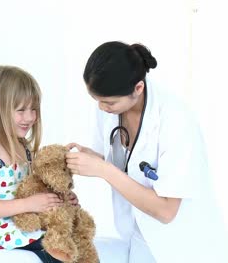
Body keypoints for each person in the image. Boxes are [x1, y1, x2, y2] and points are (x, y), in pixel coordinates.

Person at [65, 41, 227, 262]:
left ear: (138, 88)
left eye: (108, 103)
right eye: (97, 101)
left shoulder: (176, 120)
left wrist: (103, 169)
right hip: (140, 238)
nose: (102, 108)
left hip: (184, 245)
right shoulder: (110, 107)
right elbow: (123, 162)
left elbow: (166, 211)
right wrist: (93, 159)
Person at [0, 65, 78, 263]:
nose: (29, 117)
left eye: (33, 110)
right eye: (20, 110)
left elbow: (28, 189)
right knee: (56, 253)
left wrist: (57, 199)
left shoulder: (22, 147)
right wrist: (28, 204)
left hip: (18, 221)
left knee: (76, 243)